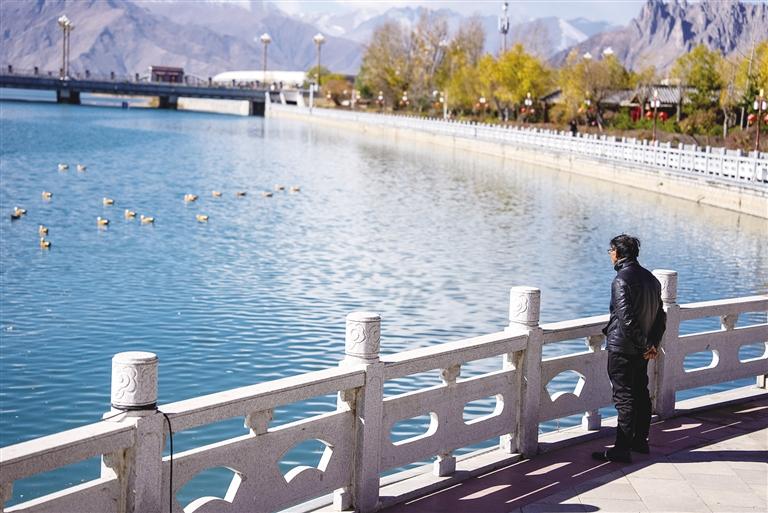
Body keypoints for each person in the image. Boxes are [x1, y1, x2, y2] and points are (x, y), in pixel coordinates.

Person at [593, 234, 666, 463]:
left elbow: (626, 319)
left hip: (623, 348)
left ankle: (621, 449)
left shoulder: (621, 280)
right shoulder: (652, 279)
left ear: (617, 253)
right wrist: (652, 344)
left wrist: (646, 344)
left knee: (624, 398)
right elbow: (661, 317)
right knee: (641, 394)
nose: (610, 254)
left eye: (611, 250)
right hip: (641, 350)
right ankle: (640, 441)